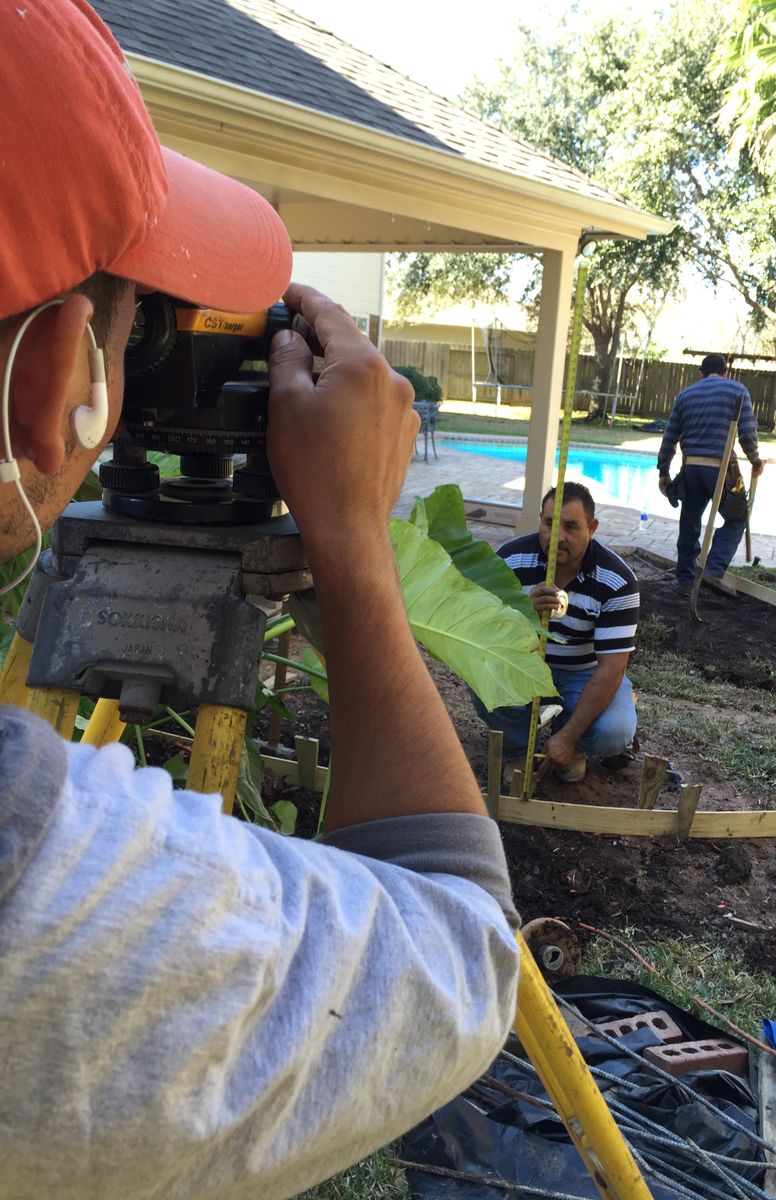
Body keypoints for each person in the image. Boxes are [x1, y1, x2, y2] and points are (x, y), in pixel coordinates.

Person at [0, 4, 519, 1198]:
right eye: (144, 324)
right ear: (53, 389)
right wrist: (351, 548)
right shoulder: (39, 887)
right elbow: (454, 946)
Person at [472, 482, 639, 784]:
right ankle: (517, 747)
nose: (558, 537)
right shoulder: (509, 561)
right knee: (482, 676)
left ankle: (571, 742)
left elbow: (611, 670)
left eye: (572, 527)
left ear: (592, 528)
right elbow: (484, 635)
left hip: (584, 673)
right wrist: (523, 610)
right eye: (550, 523)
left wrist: (568, 737)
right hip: (524, 664)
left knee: (614, 732)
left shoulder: (617, 580)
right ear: (540, 519)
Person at [657, 354, 765, 593]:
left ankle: (685, 580)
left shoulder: (685, 395)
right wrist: (755, 461)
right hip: (723, 469)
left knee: (690, 522)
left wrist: (663, 471)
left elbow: (670, 437)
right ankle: (713, 570)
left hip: (692, 469)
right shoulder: (738, 390)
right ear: (726, 373)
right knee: (738, 518)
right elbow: (747, 434)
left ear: (701, 373)